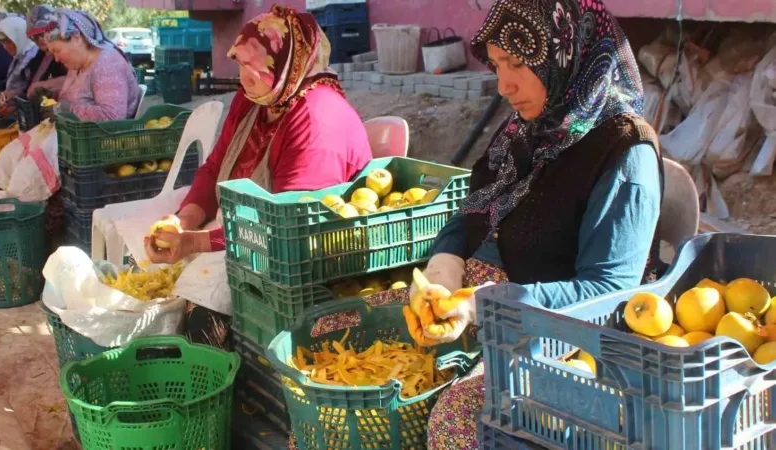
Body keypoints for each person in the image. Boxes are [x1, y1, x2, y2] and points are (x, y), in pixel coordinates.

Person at [405, 0, 664, 447]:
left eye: (520, 64)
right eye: (499, 64)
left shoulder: (624, 154)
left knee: (458, 421)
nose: (504, 85)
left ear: (568, 54)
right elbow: (475, 211)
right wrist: (441, 271)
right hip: (489, 305)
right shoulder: (530, 128)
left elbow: (609, 294)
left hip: (563, 335)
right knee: (347, 341)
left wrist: (487, 305)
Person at [144, 5, 373, 347]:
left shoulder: (316, 118)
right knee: (152, 279)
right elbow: (215, 168)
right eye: (240, 65)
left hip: (299, 252)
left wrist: (193, 242)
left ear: (284, 66)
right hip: (242, 232)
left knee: (204, 312)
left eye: (252, 67)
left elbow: (285, 225)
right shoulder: (258, 98)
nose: (242, 77)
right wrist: (183, 220)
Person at [41, 9, 141, 121]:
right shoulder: (77, 65)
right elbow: (76, 98)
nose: (56, 59)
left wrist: (68, 110)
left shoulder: (107, 65)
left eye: (57, 51)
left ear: (76, 38)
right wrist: (52, 95)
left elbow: (112, 116)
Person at [0, 5, 68, 123]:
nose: (41, 39)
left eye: (44, 34)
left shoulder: (63, 58)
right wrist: (13, 100)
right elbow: (29, 92)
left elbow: (70, 88)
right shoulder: (38, 57)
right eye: (36, 37)